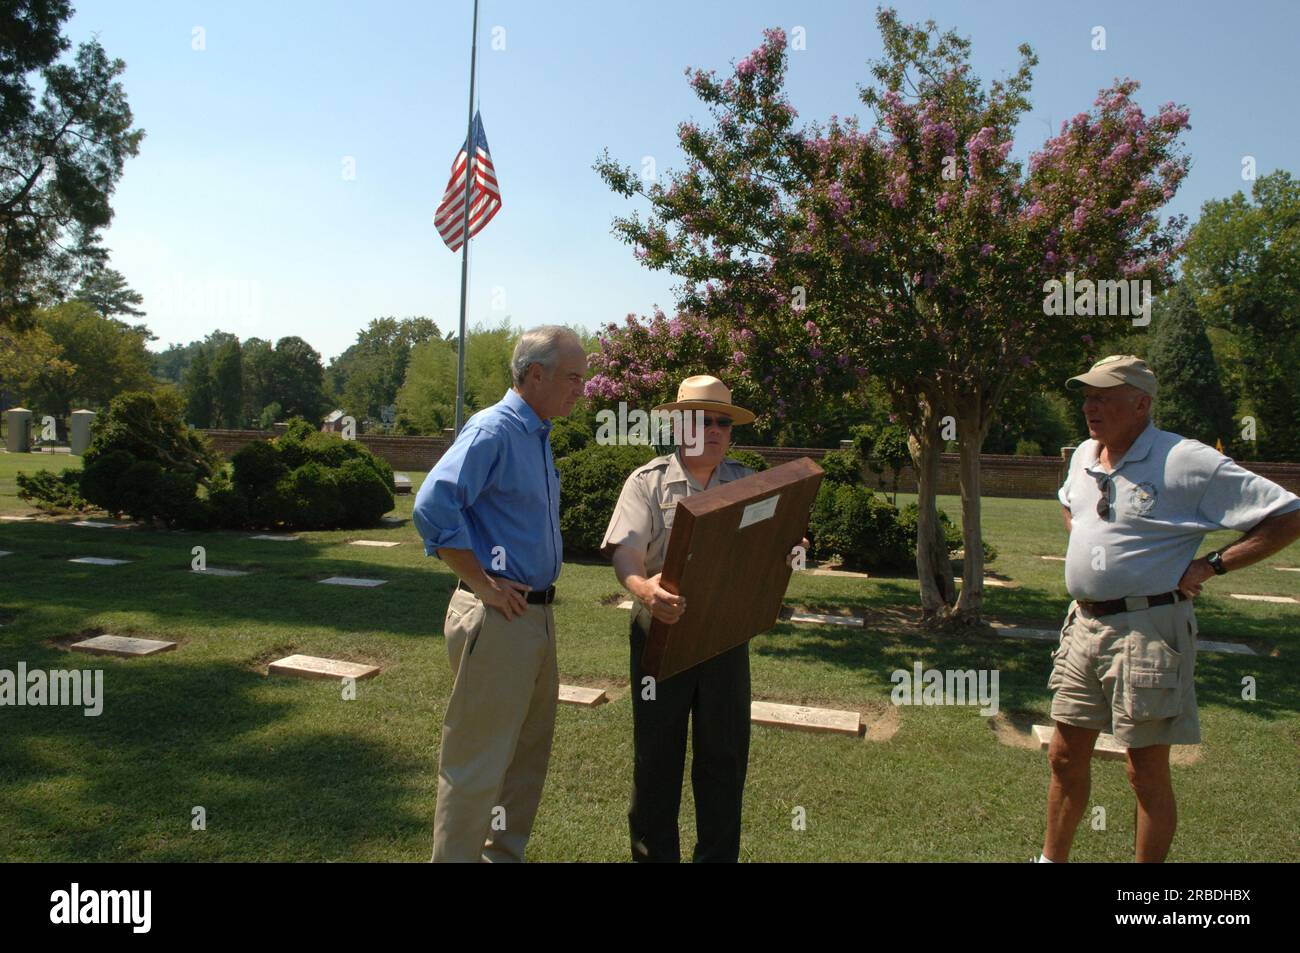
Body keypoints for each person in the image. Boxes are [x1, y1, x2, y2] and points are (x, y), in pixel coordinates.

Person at [1038, 355, 1300, 863]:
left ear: (1141, 403)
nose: (1091, 406)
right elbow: (1070, 502)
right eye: (1087, 396)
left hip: (1147, 630)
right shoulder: (1084, 456)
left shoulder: (1185, 460)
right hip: (1083, 625)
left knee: (1144, 769)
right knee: (1065, 756)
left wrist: (1212, 565)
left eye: (1104, 396)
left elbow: (1287, 514)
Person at [600, 375, 802, 862]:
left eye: (722, 423)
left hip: (725, 636)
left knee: (724, 758)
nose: (713, 430)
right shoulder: (646, 482)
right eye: (702, 420)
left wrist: (789, 550)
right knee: (657, 760)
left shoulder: (750, 484)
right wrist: (643, 589)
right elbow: (626, 554)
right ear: (679, 424)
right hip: (662, 631)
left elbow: (775, 544)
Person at [412, 325, 587, 863]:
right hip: (500, 618)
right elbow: (432, 507)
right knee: (477, 763)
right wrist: (483, 585)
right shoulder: (494, 430)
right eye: (573, 378)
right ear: (536, 375)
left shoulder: (536, 433)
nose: (581, 390)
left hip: (534, 618)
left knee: (525, 760)